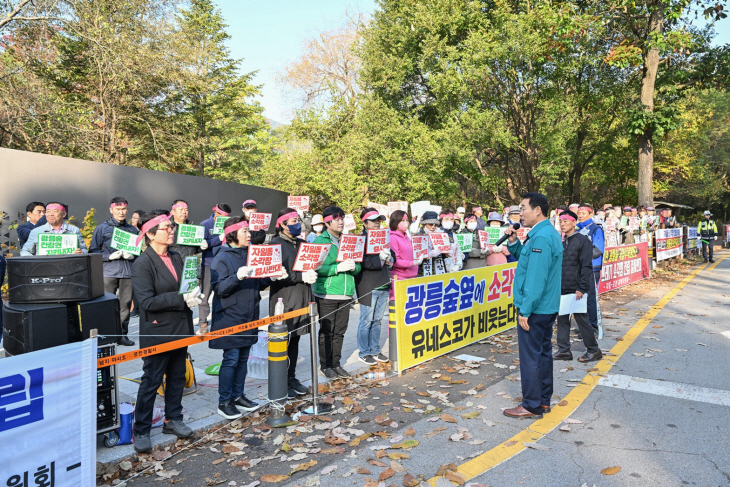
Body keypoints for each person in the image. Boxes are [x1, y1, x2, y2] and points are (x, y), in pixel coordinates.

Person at [131, 210, 203, 453]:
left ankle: (173, 419)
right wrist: (181, 297)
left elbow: (186, 284)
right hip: (157, 331)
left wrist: (193, 292)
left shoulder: (176, 256)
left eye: (172, 226)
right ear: (150, 234)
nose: (171, 230)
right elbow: (146, 302)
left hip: (180, 326)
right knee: (151, 380)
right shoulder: (142, 263)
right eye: (165, 227)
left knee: (177, 376)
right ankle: (141, 429)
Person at [210, 216, 287, 419]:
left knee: (244, 358)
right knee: (231, 359)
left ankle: (238, 395)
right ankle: (224, 401)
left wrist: (270, 277)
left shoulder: (250, 254)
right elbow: (219, 288)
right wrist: (237, 276)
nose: (249, 234)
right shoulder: (221, 257)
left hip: (250, 314)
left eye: (248, 230)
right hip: (230, 316)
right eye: (244, 231)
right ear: (232, 234)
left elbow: (259, 283)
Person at [503, 192, 562, 419]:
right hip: (545, 306)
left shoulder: (541, 237)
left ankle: (531, 404)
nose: (520, 213)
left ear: (538, 210)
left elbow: (536, 279)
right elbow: (527, 261)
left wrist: (525, 310)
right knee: (543, 353)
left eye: (523, 208)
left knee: (531, 357)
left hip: (536, 308)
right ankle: (543, 400)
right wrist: (512, 241)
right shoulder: (543, 233)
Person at [269, 208, 318, 398]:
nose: (297, 224)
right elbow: (277, 274)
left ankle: (291, 377)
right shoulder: (275, 244)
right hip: (284, 298)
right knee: (283, 340)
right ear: (282, 224)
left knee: (296, 339)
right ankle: (280, 380)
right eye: (293, 221)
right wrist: (299, 276)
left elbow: (310, 264)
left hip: (303, 296)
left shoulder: (302, 243)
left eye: (298, 220)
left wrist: (314, 269)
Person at [313, 206, 361, 380]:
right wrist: (336, 268)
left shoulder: (348, 240)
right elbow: (315, 266)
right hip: (327, 293)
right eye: (337, 219)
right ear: (327, 222)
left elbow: (358, 265)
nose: (341, 222)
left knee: (340, 331)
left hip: (346, 292)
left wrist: (355, 266)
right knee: (327, 331)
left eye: (342, 218)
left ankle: (336, 363)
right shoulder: (320, 241)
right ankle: (325, 365)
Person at [89, 197, 139, 347]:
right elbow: (93, 251)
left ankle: (122, 335)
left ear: (127, 210)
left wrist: (133, 255)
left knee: (125, 305)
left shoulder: (132, 230)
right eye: (118, 209)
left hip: (127, 273)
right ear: (111, 210)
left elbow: (137, 252)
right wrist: (108, 256)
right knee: (106, 305)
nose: (121, 212)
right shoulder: (101, 228)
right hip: (108, 272)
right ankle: (104, 336)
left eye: (124, 209)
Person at [553, 210, 602, 363]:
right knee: (562, 318)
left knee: (582, 319)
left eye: (565, 221)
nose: (562, 224)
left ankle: (594, 350)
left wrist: (581, 288)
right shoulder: (562, 242)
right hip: (563, 287)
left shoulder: (583, 240)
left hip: (577, 288)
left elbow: (586, 266)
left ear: (574, 223)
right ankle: (564, 350)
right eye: (560, 221)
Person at [355, 208, 392, 366]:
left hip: (383, 283)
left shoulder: (384, 237)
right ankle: (364, 352)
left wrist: (390, 258)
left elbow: (392, 258)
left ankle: (375, 349)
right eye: (373, 220)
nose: (377, 223)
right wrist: (380, 259)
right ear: (364, 223)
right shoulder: (360, 239)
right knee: (366, 320)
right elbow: (363, 263)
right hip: (367, 285)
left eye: (379, 220)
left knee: (377, 321)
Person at [198, 203, 232, 334]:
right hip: (209, 264)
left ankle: (220, 320)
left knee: (222, 292)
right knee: (205, 294)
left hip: (224, 263)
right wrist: (218, 239)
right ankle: (202, 322)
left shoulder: (228, 224)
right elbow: (202, 245)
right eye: (222, 216)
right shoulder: (205, 224)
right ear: (216, 213)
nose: (224, 219)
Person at [576, 204, 604, 335]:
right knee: (580, 297)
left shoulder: (596, 229)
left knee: (590, 297)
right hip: (578, 268)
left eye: (583, 213)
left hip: (592, 268)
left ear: (591, 214)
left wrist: (581, 257)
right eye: (579, 213)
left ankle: (593, 326)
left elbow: (598, 249)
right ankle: (584, 326)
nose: (580, 215)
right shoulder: (576, 229)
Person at [21, 202, 87, 255]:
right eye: (48, 211)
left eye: (55, 211)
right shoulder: (36, 231)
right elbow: (25, 251)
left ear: (64, 214)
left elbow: (84, 249)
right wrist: (35, 261)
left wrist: (81, 252)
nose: (51, 214)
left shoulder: (74, 230)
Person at [389, 210, 422, 300]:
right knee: (400, 307)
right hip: (399, 278)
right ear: (395, 222)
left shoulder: (407, 237)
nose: (406, 223)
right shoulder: (393, 238)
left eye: (407, 220)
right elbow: (395, 261)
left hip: (412, 277)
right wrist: (413, 263)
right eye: (402, 220)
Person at [416, 210, 460, 276]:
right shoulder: (418, 236)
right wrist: (428, 255)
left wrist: (446, 254)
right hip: (423, 271)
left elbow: (442, 254)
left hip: (439, 270)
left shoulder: (440, 235)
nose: (433, 227)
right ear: (424, 224)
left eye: (435, 224)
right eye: (430, 224)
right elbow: (415, 258)